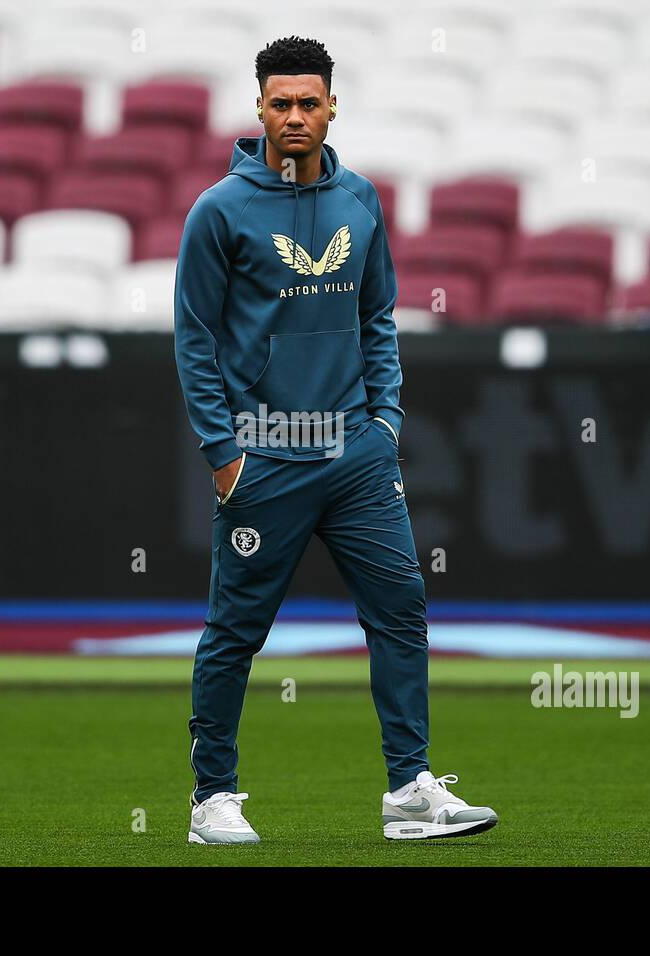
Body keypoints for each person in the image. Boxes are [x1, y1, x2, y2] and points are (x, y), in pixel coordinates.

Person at [173, 35, 497, 844]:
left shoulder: (361, 198)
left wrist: (385, 422)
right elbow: (193, 339)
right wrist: (224, 455)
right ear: (258, 108)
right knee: (235, 633)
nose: (293, 116)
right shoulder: (219, 211)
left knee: (401, 611)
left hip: (356, 455)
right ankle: (212, 799)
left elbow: (377, 316)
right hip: (267, 453)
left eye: (307, 102)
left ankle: (409, 792)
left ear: (331, 106)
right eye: (279, 102)